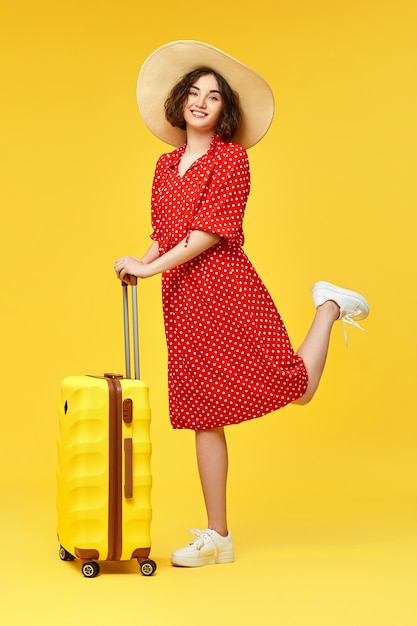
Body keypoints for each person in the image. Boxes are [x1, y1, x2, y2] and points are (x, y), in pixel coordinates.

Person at [114, 41, 370, 568]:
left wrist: (149, 267)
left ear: (225, 111)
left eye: (213, 96)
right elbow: (167, 234)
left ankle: (327, 307)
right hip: (182, 298)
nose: (201, 102)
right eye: (193, 92)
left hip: (226, 291)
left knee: (294, 388)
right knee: (203, 413)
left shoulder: (231, 159)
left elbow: (208, 233)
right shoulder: (165, 166)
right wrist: (137, 263)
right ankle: (218, 536)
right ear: (179, 102)